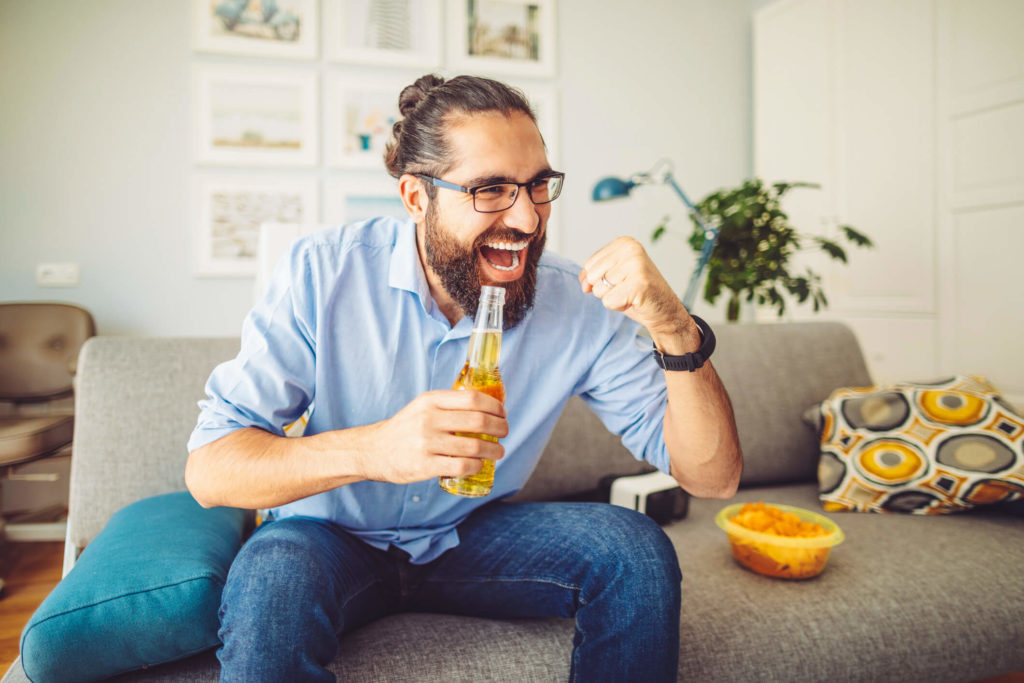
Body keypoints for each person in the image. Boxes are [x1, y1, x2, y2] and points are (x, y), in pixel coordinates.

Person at [186, 73, 742, 682]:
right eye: (491, 190)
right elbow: (212, 469)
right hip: (326, 539)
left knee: (633, 548)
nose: (528, 219)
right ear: (417, 198)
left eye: (537, 186)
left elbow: (712, 477)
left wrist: (675, 331)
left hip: (466, 534)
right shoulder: (324, 273)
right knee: (272, 577)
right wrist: (376, 450)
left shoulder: (576, 302)